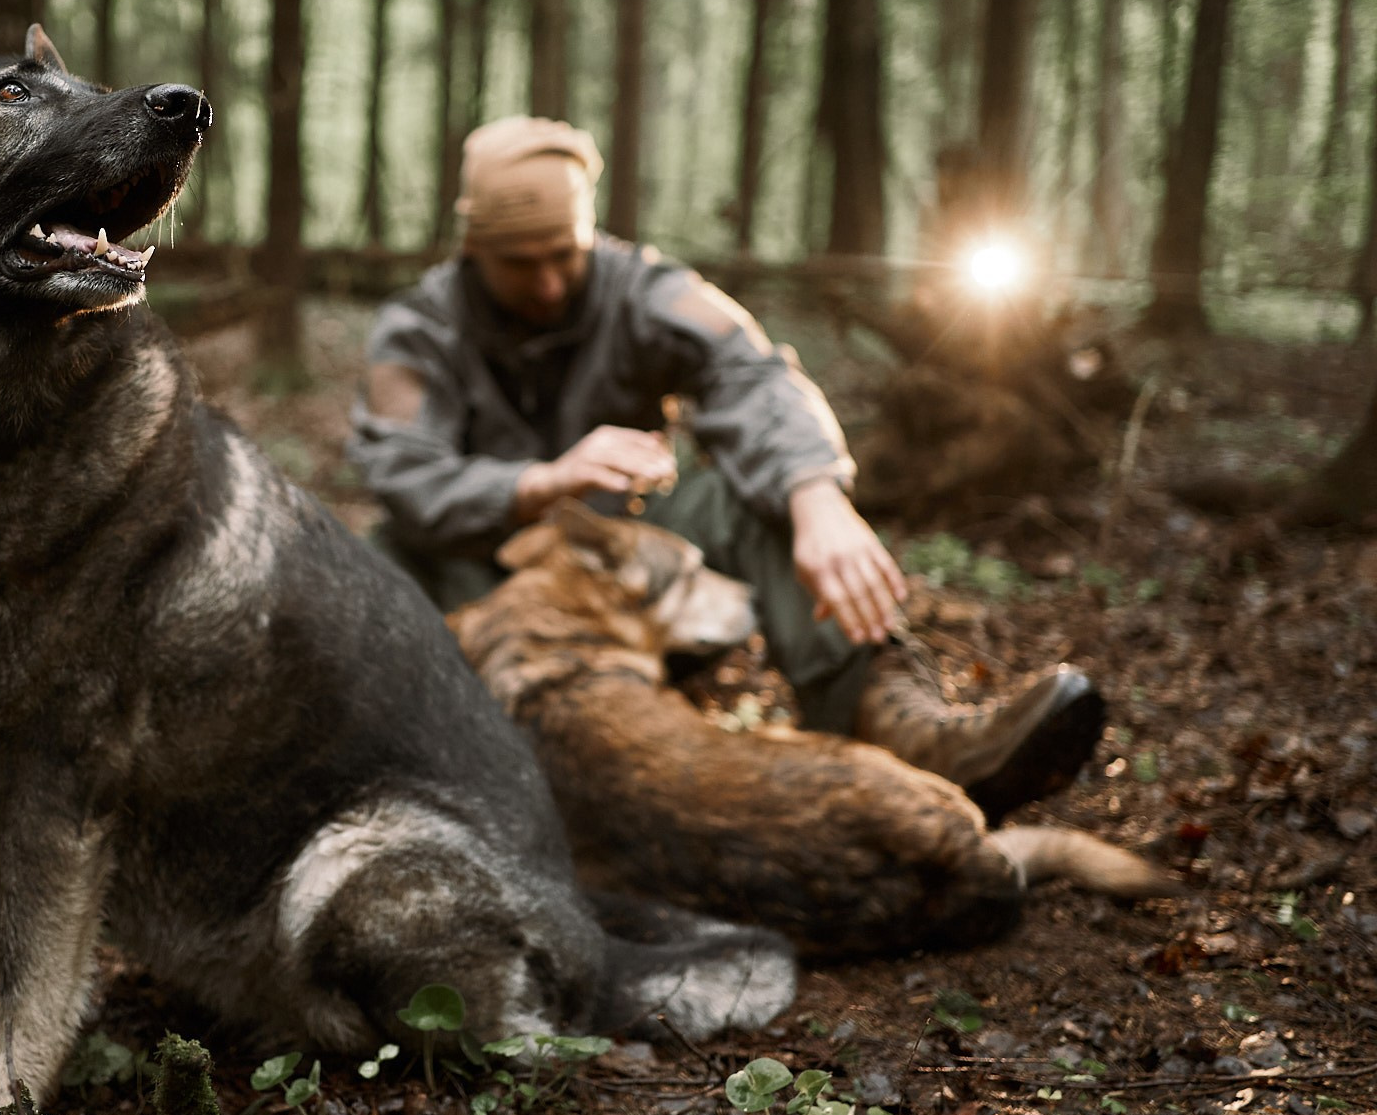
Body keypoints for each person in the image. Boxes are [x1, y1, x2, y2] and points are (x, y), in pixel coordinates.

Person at [348, 116, 1104, 823]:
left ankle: (896, 723)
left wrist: (816, 495)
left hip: (636, 579)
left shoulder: (641, 289)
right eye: (521, 263)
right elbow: (405, 475)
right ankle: (400, 766)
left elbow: (752, 373)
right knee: (373, 559)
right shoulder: (421, 327)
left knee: (761, 498)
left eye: (564, 256)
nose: (548, 284)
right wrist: (537, 483)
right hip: (489, 586)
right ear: (472, 243)